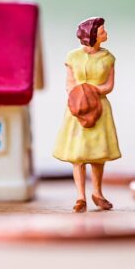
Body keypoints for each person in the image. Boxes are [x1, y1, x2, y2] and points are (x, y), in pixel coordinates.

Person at [52, 17, 121, 212]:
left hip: (99, 108)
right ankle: (80, 196)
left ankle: (97, 192)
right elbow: (69, 84)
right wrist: (81, 95)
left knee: (98, 154)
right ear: (91, 36)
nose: (106, 34)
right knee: (78, 154)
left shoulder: (108, 58)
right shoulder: (72, 57)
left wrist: (92, 91)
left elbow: (108, 85)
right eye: (102, 32)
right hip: (78, 108)